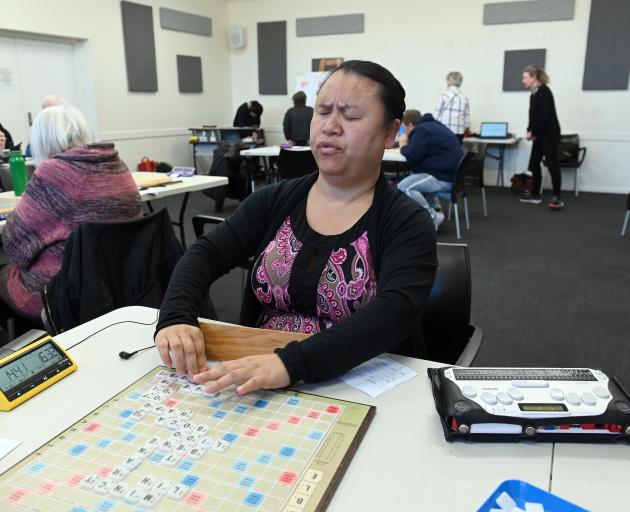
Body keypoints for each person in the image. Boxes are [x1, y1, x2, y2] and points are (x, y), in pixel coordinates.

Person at [154, 60, 437, 394]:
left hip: (359, 384)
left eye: (350, 115)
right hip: (258, 376)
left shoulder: (406, 221)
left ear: (390, 132)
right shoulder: (275, 200)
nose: (330, 126)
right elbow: (206, 253)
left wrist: (291, 364)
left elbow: (395, 312)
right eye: (323, 111)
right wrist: (174, 317)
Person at [0, 105, 142, 325]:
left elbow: (13, 242)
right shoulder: (116, 163)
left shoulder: (55, 171)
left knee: (5, 273)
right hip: (123, 281)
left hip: (66, 292)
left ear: (42, 139)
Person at [396, 109, 463, 230]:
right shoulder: (434, 125)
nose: (405, 131)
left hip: (442, 178)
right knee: (414, 174)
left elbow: (412, 156)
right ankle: (435, 207)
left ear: (410, 125)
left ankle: (433, 216)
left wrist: (403, 145)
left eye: (404, 127)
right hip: (450, 175)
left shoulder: (421, 130)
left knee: (404, 187)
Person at [519, 65, 563, 210]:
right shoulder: (533, 93)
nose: (522, 80)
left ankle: (557, 197)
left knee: (551, 164)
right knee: (533, 163)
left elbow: (543, 117)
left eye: (525, 77)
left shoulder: (544, 91)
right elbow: (533, 116)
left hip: (549, 134)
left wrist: (532, 132)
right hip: (539, 134)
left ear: (534, 77)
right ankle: (535, 194)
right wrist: (530, 130)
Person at [434, 71, 470, 143]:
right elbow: (466, 120)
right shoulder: (464, 98)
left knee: (444, 152)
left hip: (444, 131)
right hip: (459, 132)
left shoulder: (444, 95)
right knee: (456, 151)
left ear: (450, 80)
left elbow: (437, 114)